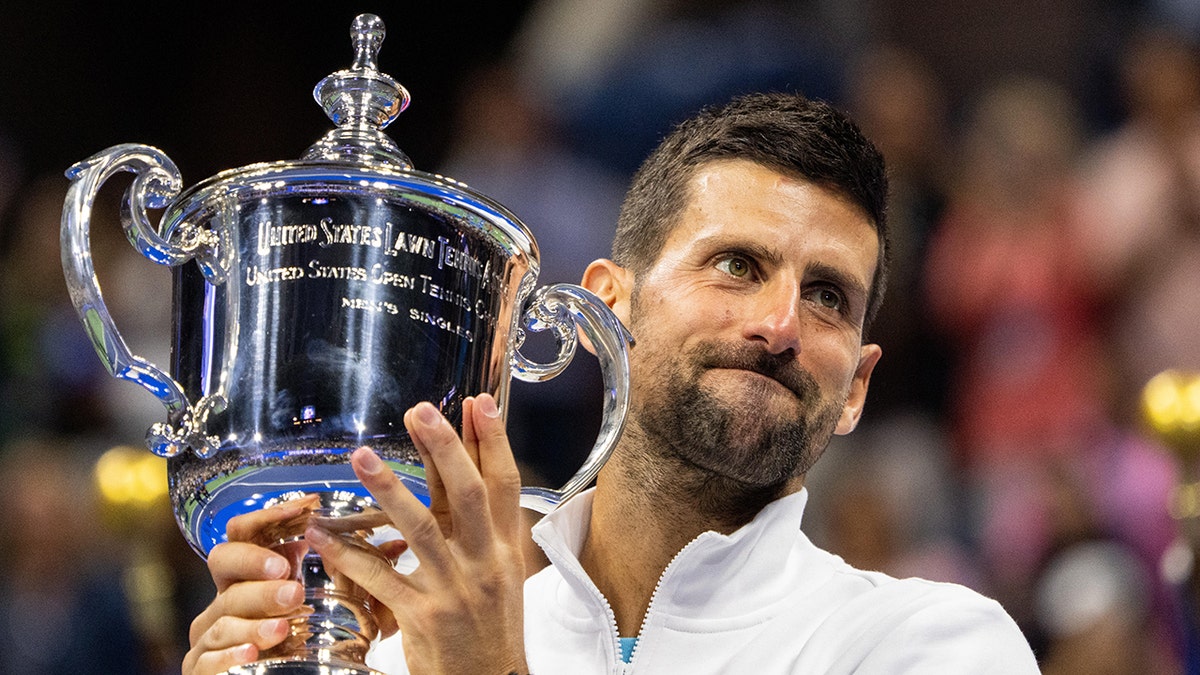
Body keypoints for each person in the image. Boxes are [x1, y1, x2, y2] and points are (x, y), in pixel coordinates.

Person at [184, 92, 1039, 674]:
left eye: (827, 296)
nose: (781, 325)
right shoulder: (409, 642)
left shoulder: (932, 645)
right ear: (607, 310)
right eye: (737, 265)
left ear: (856, 385)